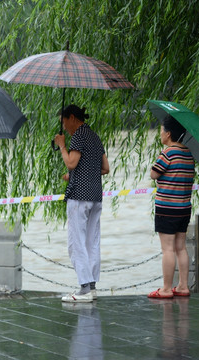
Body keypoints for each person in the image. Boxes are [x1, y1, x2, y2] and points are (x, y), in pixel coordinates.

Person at [54, 105, 109, 303]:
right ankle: (92, 286)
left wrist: (62, 145)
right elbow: (105, 168)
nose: (64, 127)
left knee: (76, 242)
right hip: (95, 196)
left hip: (79, 197)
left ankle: (84, 288)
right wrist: (78, 175)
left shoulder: (78, 135)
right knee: (92, 241)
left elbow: (71, 162)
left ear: (72, 118)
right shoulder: (94, 136)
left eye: (64, 121)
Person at [148, 115, 194, 299]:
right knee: (180, 248)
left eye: (161, 131)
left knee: (167, 249)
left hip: (167, 209)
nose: (160, 134)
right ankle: (183, 285)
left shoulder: (167, 153)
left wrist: (159, 157)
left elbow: (153, 174)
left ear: (168, 134)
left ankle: (166, 289)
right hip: (184, 208)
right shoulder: (188, 153)